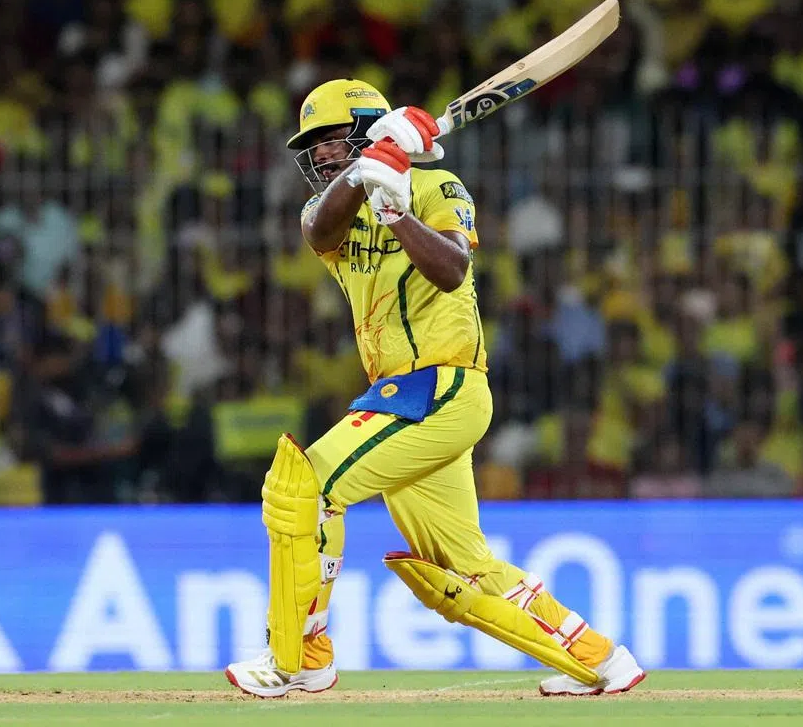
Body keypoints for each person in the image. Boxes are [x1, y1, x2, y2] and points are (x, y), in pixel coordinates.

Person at [225, 79, 645, 697]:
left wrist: (397, 211)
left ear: (367, 127)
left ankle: (298, 658)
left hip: (442, 387)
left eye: (328, 139)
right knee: (464, 567)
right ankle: (601, 660)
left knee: (306, 484)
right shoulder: (325, 212)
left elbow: (451, 270)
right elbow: (321, 233)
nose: (317, 155)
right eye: (310, 146)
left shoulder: (436, 187)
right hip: (404, 397)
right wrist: (368, 168)